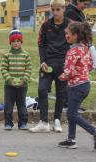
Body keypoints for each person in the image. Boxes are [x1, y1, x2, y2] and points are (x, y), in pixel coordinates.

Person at [58, 22, 96, 150]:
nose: (66, 36)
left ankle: (94, 131)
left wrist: (62, 76)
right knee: (72, 112)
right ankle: (71, 139)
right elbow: (89, 66)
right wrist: (80, 72)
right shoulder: (85, 48)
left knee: (71, 114)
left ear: (76, 35)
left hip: (76, 87)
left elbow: (69, 71)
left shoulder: (72, 51)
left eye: (68, 34)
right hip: (85, 85)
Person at [29, 0, 70, 133]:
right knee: (42, 90)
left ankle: (57, 121)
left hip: (63, 64)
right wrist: (42, 61)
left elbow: (74, 43)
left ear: (64, 9)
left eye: (58, 9)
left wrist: (69, 62)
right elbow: (41, 43)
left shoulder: (70, 25)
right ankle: (44, 122)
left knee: (61, 93)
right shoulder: (46, 25)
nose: (55, 12)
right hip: (47, 63)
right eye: (53, 9)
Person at [1, 29, 31, 130]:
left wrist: (24, 79)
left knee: (22, 105)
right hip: (9, 86)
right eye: (13, 41)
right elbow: (4, 69)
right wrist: (9, 79)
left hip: (22, 85)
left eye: (18, 41)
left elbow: (28, 69)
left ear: (21, 42)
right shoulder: (7, 55)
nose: (16, 43)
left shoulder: (26, 55)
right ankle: (8, 123)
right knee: (8, 105)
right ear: (10, 42)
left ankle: (23, 123)